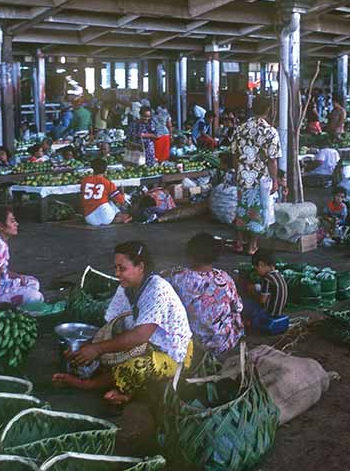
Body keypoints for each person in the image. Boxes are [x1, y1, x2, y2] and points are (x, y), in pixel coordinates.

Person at [53, 241, 193, 405]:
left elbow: (140, 336)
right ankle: (117, 387)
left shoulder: (157, 289)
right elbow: (111, 324)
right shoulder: (126, 287)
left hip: (171, 353)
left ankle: (89, 385)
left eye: (122, 268)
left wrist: (97, 348)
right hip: (143, 344)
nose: (117, 273)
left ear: (140, 267)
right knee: (101, 353)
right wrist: (85, 346)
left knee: (135, 367)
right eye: (116, 268)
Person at [169, 234, 244, 358]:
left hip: (191, 343)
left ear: (189, 255)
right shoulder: (224, 278)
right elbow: (238, 307)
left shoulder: (177, 277)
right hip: (223, 343)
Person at [230, 97, 280, 255]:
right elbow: (272, 160)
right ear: (268, 110)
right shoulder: (270, 131)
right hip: (260, 179)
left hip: (242, 176)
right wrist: (275, 180)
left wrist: (237, 172)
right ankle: (252, 246)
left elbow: (234, 154)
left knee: (241, 209)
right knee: (257, 211)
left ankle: (238, 242)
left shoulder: (240, 129)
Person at [240, 249, 288, 325]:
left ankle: (248, 322)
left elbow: (262, 301)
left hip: (268, 313)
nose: (257, 272)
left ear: (261, 264)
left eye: (257, 269)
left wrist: (253, 292)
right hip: (279, 311)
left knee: (243, 302)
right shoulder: (279, 276)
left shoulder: (268, 279)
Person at [81, 158, 128, 226]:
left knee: (105, 202)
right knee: (110, 202)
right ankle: (118, 218)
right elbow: (122, 201)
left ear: (93, 169)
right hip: (106, 216)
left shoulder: (84, 181)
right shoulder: (108, 183)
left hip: (89, 219)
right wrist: (122, 192)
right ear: (105, 170)